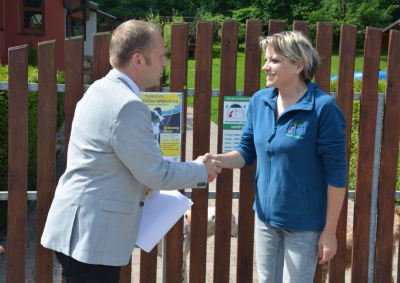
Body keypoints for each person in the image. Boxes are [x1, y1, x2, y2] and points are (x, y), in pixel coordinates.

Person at [41, 19, 222, 283]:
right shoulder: (128, 105)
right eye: (160, 56)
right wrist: (200, 170)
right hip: (92, 236)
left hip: (78, 229)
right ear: (138, 60)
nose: (165, 63)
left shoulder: (99, 90)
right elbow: (155, 173)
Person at [204, 31, 347, 282]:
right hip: (265, 219)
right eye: (266, 59)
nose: (265, 66)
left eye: (274, 60)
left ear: (298, 65)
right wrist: (218, 159)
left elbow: (336, 174)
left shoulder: (322, 108)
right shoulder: (260, 101)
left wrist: (329, 232)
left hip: (304, 224)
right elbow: (246, 151)